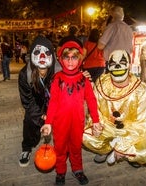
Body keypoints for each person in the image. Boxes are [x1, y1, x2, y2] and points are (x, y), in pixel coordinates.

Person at [40, 40, 102, 185]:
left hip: (77, 122)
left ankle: (78, 169)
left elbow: (92, 101)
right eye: (67, 57)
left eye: (74, 57)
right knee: (60, 148)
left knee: (75, 147)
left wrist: (96, 120)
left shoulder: (84, 80)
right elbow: (53, 101)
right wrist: (48, 122)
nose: (70, 61)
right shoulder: (57, 79)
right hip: (59, 122)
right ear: (61, 59)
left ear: (79, 59)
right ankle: (60, 172)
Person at [83, 50, 146, 168]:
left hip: (130, 130)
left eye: (122, 62)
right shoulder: (101, 82)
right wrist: (97, 124)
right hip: (107, 127)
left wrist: (123, 145)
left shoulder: (141, 89)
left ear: (129, 65)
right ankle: (106, 149)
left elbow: (142, 123)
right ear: (107, 66)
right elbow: (95, 109)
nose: (117, 66)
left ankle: (124, 151)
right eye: (113, 63)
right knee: (85, 136)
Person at [18, 36, 57, 167]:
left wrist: (82, 78)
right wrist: (41, 116)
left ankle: (62, 147)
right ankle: (26, 148)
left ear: (52, 55)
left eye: (46, 53)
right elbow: (27, 101)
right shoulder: (25, 74)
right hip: (36, 104)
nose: (42, 56)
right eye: (37, 52)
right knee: (29, 121)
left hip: (55, 105)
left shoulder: (59, 72)